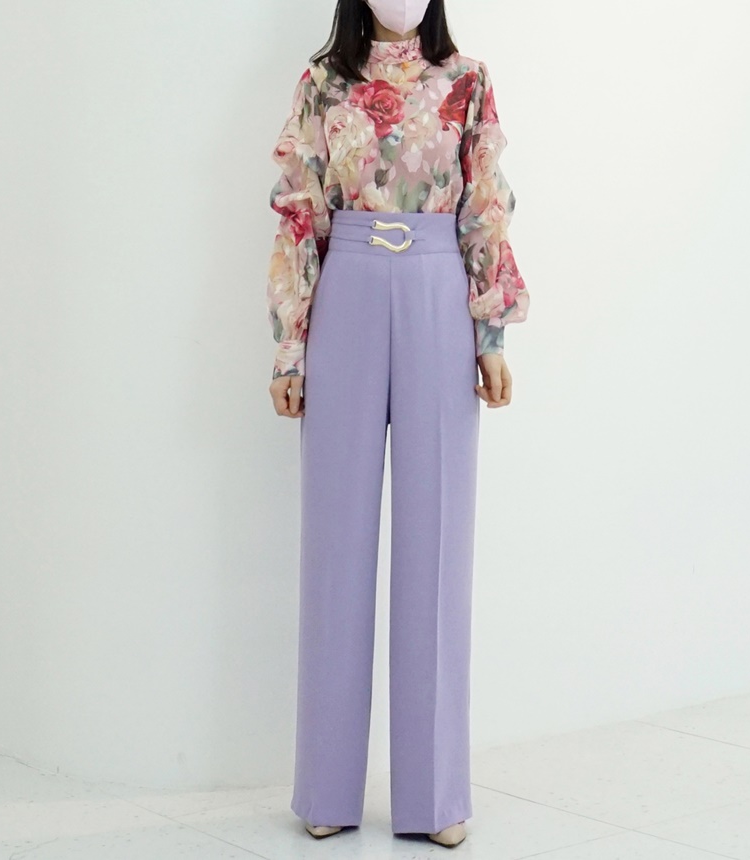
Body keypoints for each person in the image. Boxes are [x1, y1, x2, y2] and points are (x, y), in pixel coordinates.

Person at [264, 0, 529, 847]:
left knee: (437, 543)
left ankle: (435, 797)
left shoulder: (467, 81)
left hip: (438, 292)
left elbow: (486, 206)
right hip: (344, 290)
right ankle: (326, 788)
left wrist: (490, 335)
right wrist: (290, 350)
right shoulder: (323, 81)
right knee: (335, 546)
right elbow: (299, 212)